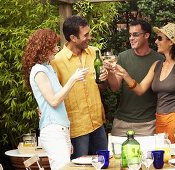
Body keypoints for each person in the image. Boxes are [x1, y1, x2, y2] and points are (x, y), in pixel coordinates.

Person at [115, 23, 175, 143]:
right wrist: (124, 74)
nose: (155, 41)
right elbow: (140, 89)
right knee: (162, 159)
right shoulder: (157, 65)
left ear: (171, 42)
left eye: (160, 38)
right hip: (159, 119)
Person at [22, 28, 89, 169]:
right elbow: (53, 101)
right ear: (43, 47)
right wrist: (73, 79)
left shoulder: (48, 68)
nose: (56, 49)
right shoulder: (39, 70)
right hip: (53, 130)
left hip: (60, 130)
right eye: (53, 46)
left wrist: (66, 139)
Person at [50, 15, 108, 159]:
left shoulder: (95, 52)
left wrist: (104, 79)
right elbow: (53, 97)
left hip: (98, 123)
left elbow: (101, 88)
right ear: (73, 38)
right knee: (78, 168)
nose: (90, 37)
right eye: (86, 34)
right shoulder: (57, 61)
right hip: (76, 127)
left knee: (104, 164)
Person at [105, 19, 164, 136]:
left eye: (135, 34)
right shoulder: (123, 57)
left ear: (147, 35)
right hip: (122, 122)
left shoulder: (159, 60)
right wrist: (110, 72)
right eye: (130, 35)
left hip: (148, 123)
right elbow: (115, 87)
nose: (131, 38)